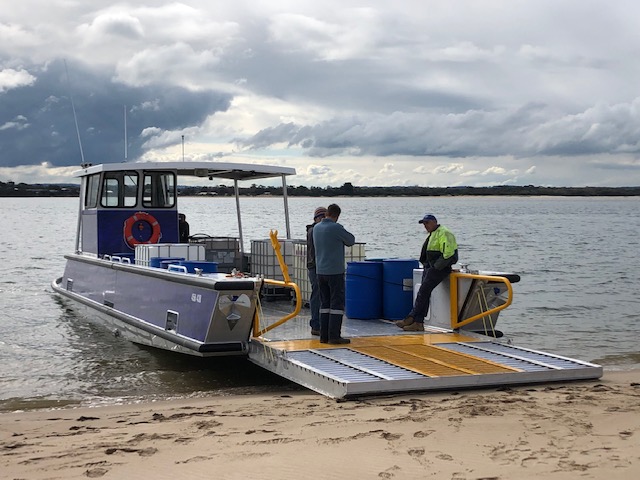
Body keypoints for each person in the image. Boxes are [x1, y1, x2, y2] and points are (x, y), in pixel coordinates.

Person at [396, 213, 458, 332]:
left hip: (439, 268)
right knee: (424, 292)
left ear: (435, 222)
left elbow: (449, 253)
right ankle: (418, 323)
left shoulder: (444, 232)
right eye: (424, 224)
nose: (425, 226)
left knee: (423, 291)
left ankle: (411, 317)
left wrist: (436, 267)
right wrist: (427, 265)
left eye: (427, 223)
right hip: (430, 267)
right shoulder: (433, 234)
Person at [313, 203, 355, 344]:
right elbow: (351, 240)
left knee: (324, 304)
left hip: (320, 271)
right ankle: (334, 336)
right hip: (335, 272)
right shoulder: (336, 228)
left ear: (326, 213)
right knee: (336, 304)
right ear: (337, 216)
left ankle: (323, 336)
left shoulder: (316, 228)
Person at [306, 206, 327, 336]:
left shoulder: (316, 230)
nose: (324, 219)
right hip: (315, 267)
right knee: (317, 294)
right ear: (317, 218)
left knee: (321, 295)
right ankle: (316, 324)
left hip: (319, 266)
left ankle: (320, 323)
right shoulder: (314, 231)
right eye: (322, 217)